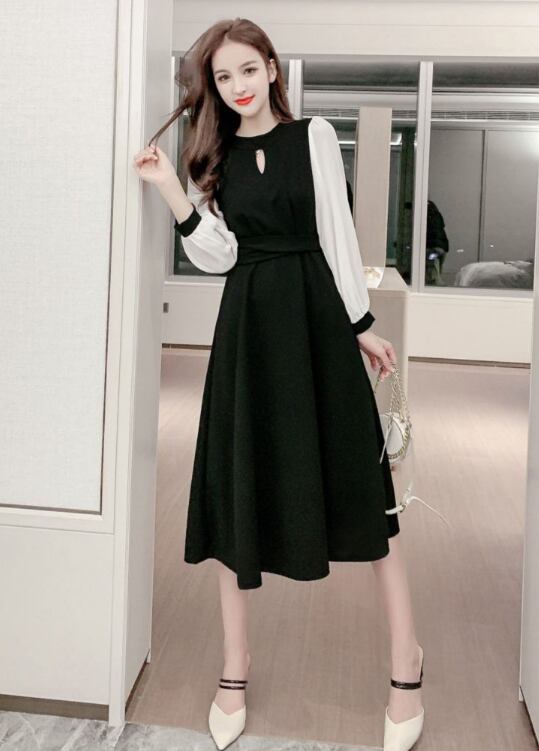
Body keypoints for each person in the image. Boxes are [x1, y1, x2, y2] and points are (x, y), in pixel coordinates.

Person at [133, 18, 424, 751]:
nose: (237, 86)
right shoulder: (214, 157)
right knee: (240, 488)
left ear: (270, 68)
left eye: (247, 69)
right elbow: (218, 254)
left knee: (361, 488)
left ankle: (406, 662)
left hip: (316, 320)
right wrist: (170, 189)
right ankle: (234, 667)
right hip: (248, 328)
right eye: (222, 77)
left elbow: (337, 236)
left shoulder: (313, 137)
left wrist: (360, 326)